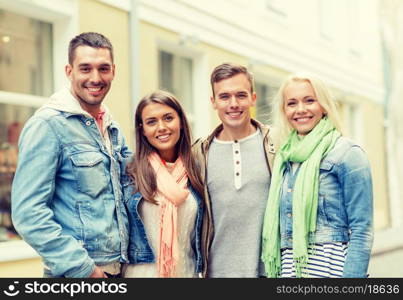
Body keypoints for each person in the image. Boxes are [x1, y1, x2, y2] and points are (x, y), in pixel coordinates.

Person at [11, 32, 131, 278]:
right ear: (69, 71)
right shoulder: (47, 125)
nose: (95, 78)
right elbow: (28, 214)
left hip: (117, 270)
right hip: (78, 275)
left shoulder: (110, 126)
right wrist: (84, 269)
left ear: (113, 71)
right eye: (85, 68)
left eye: (103, 69)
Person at [261, 73, 374, 278]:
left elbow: (362, 230)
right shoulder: (284, 157)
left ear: (323, 106)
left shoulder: (347, 153)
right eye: (292, 103)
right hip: (290, 270)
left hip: (332, 271)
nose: (301, 109)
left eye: (310, 100)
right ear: (284, 110)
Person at [193, 63, 276, 277]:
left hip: (269, 273)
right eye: (224, 97)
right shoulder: (199, 153)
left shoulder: (277, 144)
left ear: (253, 98)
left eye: (241, 95)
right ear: (213, 102)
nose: (233, 104)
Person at [123, 90, 206, 278]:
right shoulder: (129, 171)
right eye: (151, 122)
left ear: (181, 123)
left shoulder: (197, 170)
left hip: (187, 274)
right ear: (142, 129)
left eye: (168, 118)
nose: (161, 127)